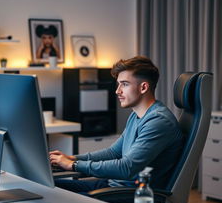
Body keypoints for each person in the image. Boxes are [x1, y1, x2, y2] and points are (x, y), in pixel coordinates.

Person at [50, 56, 184, 193]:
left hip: (132, 195)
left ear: (143, 87)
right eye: (118, 84)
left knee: (59, 197)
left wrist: (74, 165)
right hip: (113, 185)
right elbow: (113, 152)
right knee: (49, 186)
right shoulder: (136, 115)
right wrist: (71, 158)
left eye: (124, 84)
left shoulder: (158, 121)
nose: (117, 91)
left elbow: (126, 168)